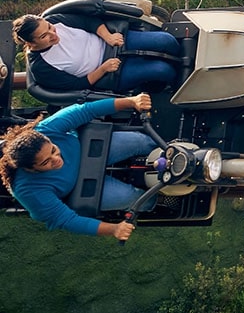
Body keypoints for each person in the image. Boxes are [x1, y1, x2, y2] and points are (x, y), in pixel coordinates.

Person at [0, 93, 156, 241]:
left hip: (86, 150)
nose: (56, 159)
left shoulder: (46, 129)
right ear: (31, 169)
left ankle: (171, 148)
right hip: (79, 187)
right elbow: (65, 219)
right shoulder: (27, 190)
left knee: (139, 141)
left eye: (53, 150)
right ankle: (161, 200)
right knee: (131, 198)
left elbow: (86, 110)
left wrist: (131, 101)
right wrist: (113, 229)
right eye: (45, 162)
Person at [13, 12, 180, 93]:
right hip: (108, 73)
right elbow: (75, 86)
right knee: (161, 70)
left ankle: (189, 62)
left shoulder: (55, 20)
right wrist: (103, 69)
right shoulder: (41, 67)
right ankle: (172, 87)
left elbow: (88, 21)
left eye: (49, 28)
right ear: (31, 43)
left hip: (111, 42)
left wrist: (109, 37)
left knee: (165, 41)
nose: (53, 34)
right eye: (44, 36)